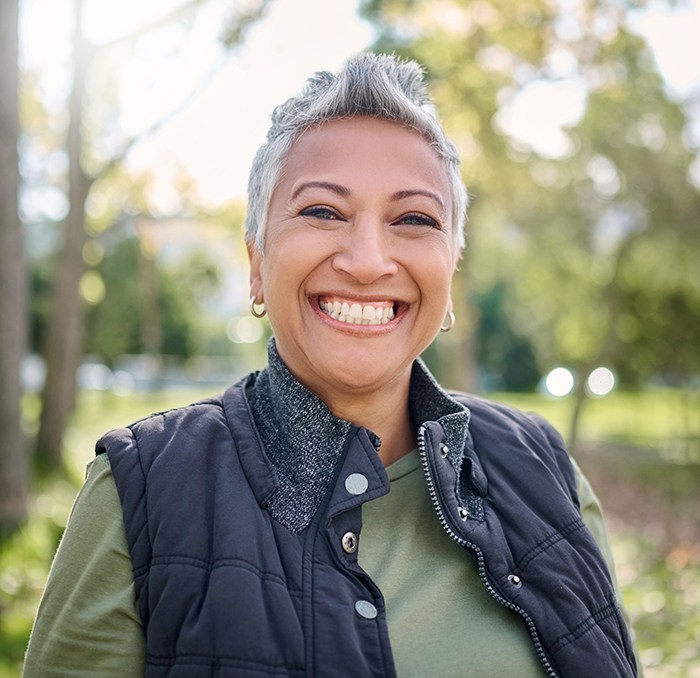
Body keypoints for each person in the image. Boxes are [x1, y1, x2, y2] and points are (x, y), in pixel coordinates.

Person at [23, 53, 639, 678]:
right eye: (322, 211)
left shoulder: (545, 466)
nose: (369, 260)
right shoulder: (140, 492)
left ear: (450, 270)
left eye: (414, 219)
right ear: (257, 263)